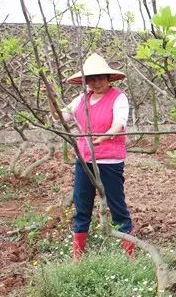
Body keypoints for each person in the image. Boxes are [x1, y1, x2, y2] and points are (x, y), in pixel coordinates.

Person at [54, 53, 135, 260]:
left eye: (100, 78)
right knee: (82, 206)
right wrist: (51, 104)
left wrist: (105, 137)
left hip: (109, 161)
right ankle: (77, 257)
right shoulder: (82, 98)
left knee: (117, 206)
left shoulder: (119, 97)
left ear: (108, 79)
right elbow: (61, 116)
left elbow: (119, 123)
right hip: (84, 160)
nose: (96, 83)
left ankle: (130, 255)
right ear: (86, 82)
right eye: (91, 79)